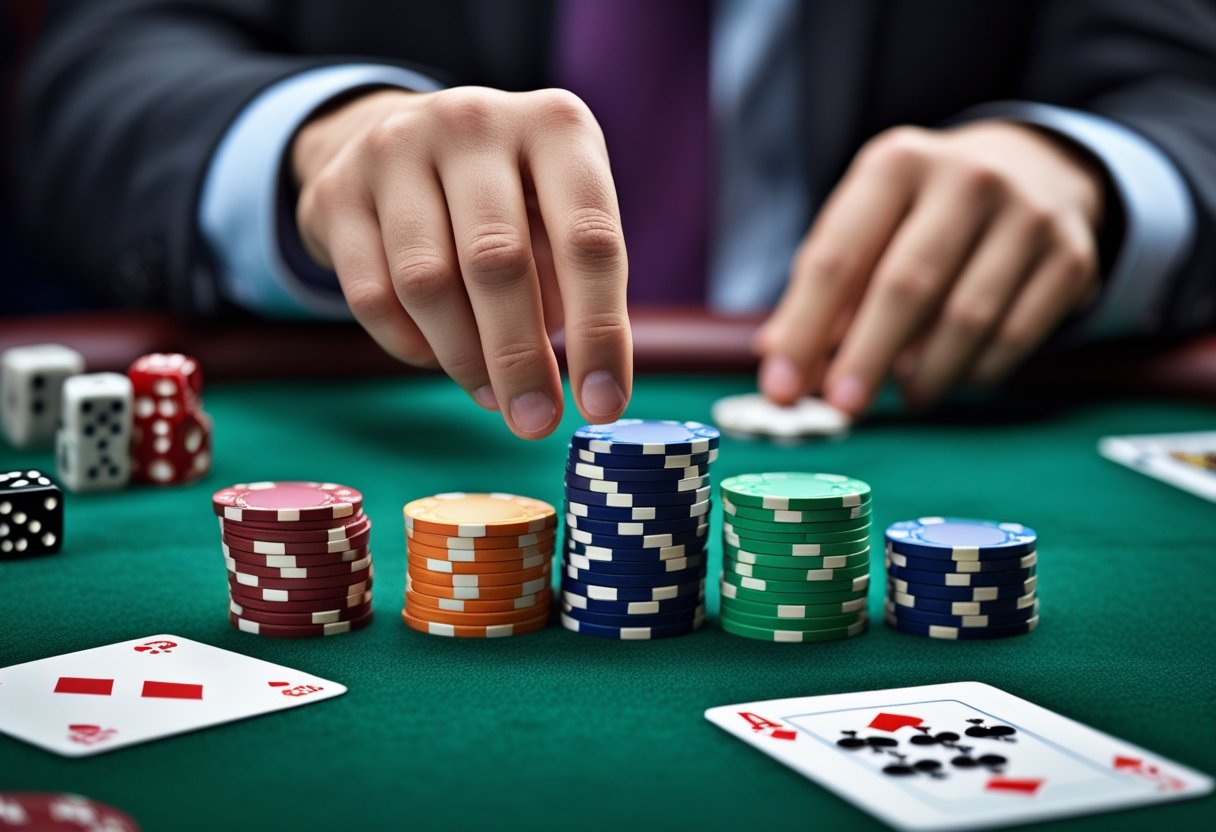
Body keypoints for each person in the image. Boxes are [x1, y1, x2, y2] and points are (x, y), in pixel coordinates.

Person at [18, 0, 1216, 439]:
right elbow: (101, 62)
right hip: (375, 386)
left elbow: (1184, 84)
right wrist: (319, 137)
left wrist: (1091, 173)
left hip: (898, 394)